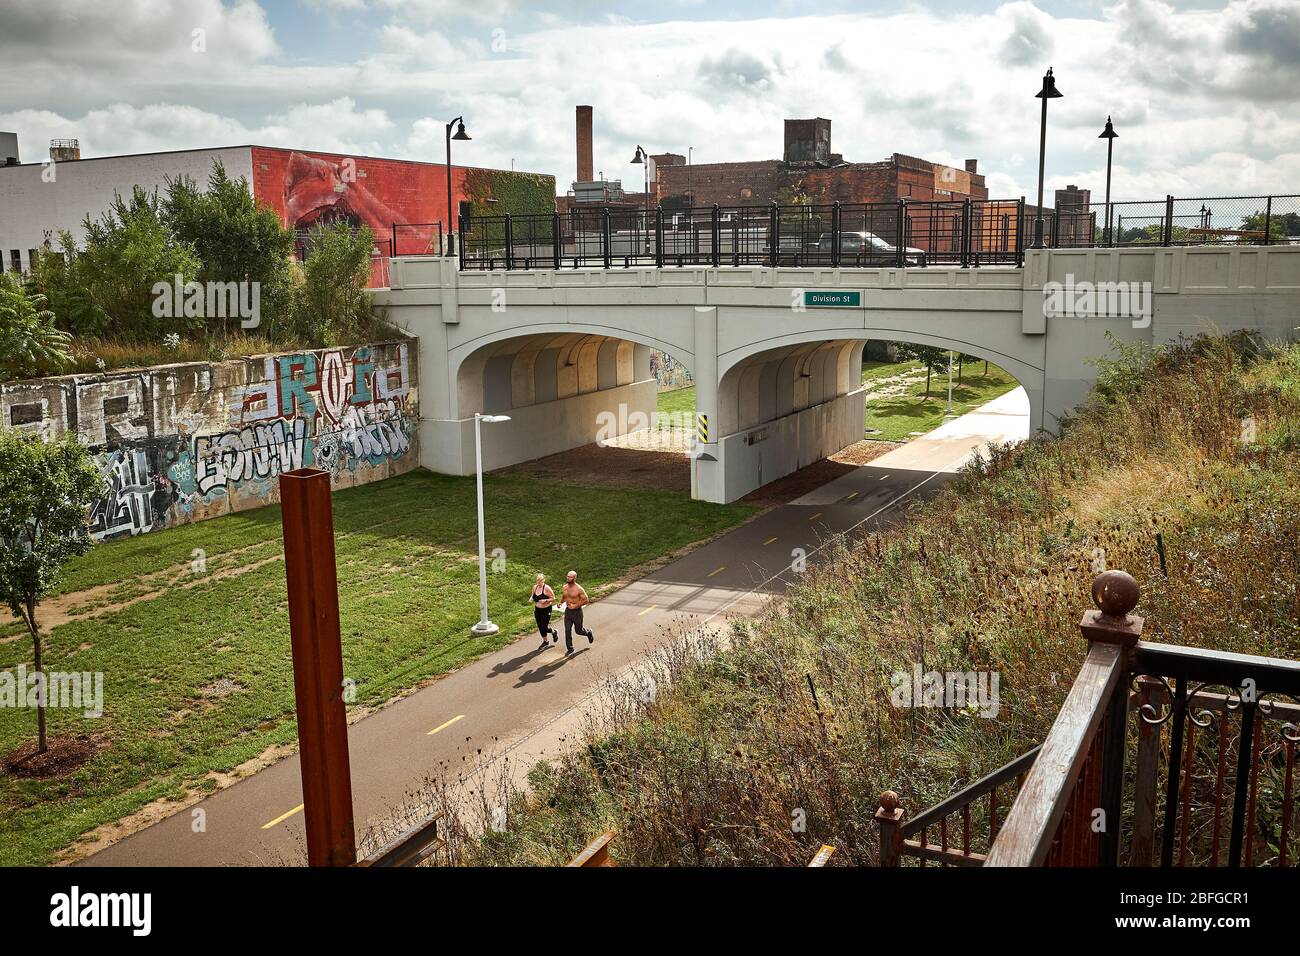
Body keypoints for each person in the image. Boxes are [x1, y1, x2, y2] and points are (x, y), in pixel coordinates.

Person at [560, 570, 595, 655]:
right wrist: (560, 602)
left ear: (574, 578)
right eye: (567, 576)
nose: (568, 578)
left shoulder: (579, 589)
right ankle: (570, 649)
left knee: (578, 631)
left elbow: (586, 600)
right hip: (568, 612)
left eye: (570, 577)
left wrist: (575, 606)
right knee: (567, 630)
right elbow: (565, 596)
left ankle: (588, 632)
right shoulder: (565, 587)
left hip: (577, 612)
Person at [531, 573, 560, 650]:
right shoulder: (535, 587)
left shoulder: (547, 588)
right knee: (540, 626)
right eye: (537, 581)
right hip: (537, 610)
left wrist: (546, 600)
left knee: (544, 627)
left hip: (546, 610)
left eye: (540, 581)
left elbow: (553, 598)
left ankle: (554, 632)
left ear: (543, 580)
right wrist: (531, 599)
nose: (539, 582)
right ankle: (545, 641)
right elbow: (533, 596)